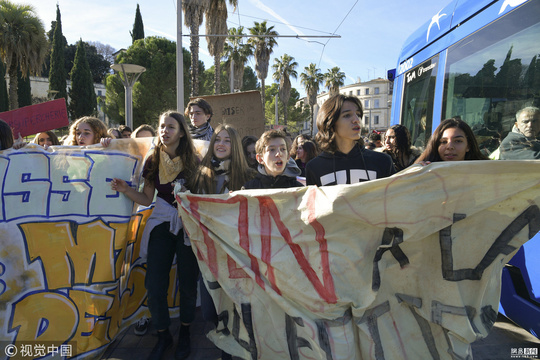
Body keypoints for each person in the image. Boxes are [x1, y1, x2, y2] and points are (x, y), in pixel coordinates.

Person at [111, 111, 200, 360]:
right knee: (154, 284)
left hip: (188, 226)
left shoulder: (195, 159)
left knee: (188, 282)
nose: (165, 131)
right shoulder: (153, 160)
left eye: (171, 127)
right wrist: (126, 189)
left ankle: (185, 333)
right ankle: (163, 335)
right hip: (161, 222)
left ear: (182, 132)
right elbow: (147, 198)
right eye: (162, 126)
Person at [190, 124, 254, 360]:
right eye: (217, 139)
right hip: (208, 254)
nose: (221, 144)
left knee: (238, 309)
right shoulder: (199, 175)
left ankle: (236, 352)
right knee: (210, 310)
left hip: (237, 254)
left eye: (227, 140)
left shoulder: (249, 176)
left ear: (234, 145)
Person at [306, 95, 395, 186]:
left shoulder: (383, 161)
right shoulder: (314, 167)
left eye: (358, 114)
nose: (356, 120)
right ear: (330, 123)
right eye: (347, 115)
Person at [415, 117, 488, 163]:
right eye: (444, 142)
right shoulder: (425, 173)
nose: (450, 147)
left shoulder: (487, 173)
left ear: (468, 146)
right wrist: (417, 171)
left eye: (458, 141)